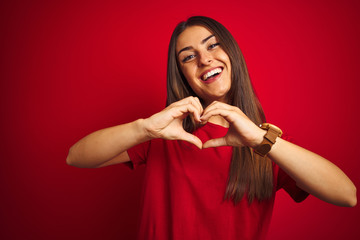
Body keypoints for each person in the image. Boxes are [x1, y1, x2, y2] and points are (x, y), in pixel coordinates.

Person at [66, 16, 357, 240]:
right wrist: (144, 128)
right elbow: (76, 157)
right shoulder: (165, 133)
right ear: (183, 75)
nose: (204, 59)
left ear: (231, 54)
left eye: (212, 45)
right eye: (188, 56)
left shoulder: (266, 143)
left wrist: (259, 139)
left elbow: (346, 195)